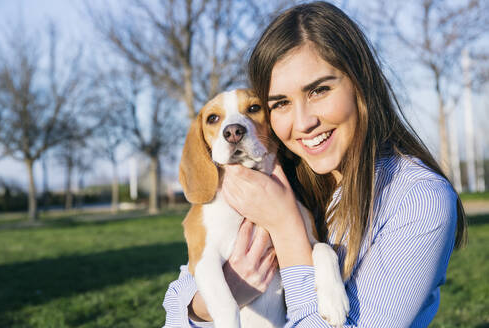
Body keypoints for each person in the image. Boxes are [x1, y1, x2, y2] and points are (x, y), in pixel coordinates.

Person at [162, 2, 467, 327]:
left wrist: (286, 227)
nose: (304, 122)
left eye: (319, 90)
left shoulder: (417, 200)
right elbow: (177, 306)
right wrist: (222, 298)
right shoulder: (280, 177)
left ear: (360, 82)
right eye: (280, 103)